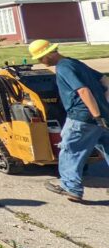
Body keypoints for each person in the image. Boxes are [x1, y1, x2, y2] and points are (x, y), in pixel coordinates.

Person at [29, 39, 109, 201]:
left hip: (82, 117)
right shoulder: (75, 63)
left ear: (50, 54)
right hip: (102, 117)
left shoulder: (63, 67)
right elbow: (105, 80)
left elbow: (83, 90)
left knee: (70, 150)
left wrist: (96, 115)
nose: (40, 61)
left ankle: (71, 188)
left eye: (41, 57)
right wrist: (103, 108)